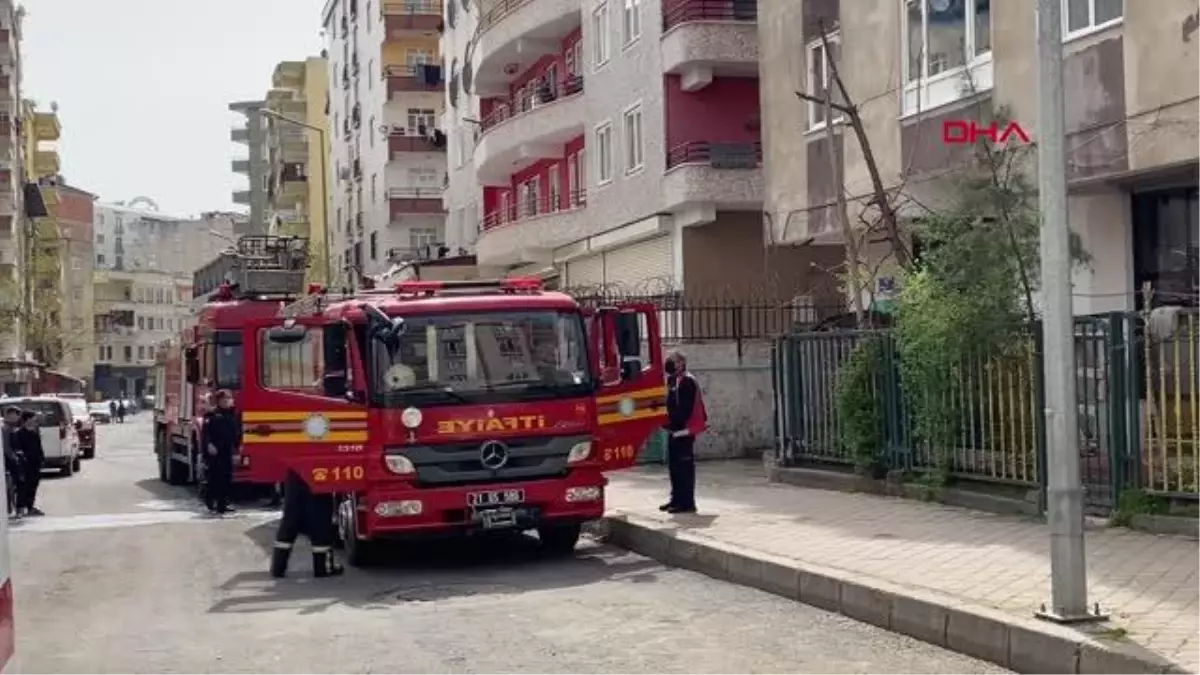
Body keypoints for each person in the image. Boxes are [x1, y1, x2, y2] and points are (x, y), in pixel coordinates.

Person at [270, 470, 344, 579]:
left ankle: (278, 568)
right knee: (320, 519)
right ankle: (322, 567)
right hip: (318, 468)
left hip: (295, 471)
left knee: (291, 520)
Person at [660, 351, 708, 515]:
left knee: (684, 468)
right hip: (674, 430)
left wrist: (675, 423)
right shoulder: (673, 380)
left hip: (685, 431)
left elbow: (685, 410)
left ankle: (687, 503)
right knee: (674, 468)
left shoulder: (688, 381)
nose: (669, 363)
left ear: (681, 363)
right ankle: (676, 499)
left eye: (672, 361)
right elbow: (670, 404)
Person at [201, 390, 240, 515]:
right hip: (215, 451)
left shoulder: (234, 414)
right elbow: (205, 433)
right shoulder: (211, 414)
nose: (227, 401)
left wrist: (238, 449)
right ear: (218, 401)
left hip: (228, 450)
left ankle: (222, 505)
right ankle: (210, 499)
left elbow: (237, 434)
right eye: (224, 399)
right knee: (214, 477)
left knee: (227, 478)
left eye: (228, 398)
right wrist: (209, 445)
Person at [15, 411, 44, 517]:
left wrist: (41, 459)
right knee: (23, 486)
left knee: (33, 486)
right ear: (27, 420)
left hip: (35, 464)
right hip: (24, 464)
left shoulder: (34, 433)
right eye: (34, 419)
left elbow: (39, 448)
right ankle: (20, 508)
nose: (35, 422)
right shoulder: (19, 433)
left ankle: (30, 507)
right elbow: (18, 449)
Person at [2, 407, 23, 518]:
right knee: (11, 485)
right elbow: (6, 447)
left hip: (12, 460)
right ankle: (11, 508)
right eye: (15, 415)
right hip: (8, 462)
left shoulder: (13, 428)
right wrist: (14, 457)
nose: (17, 417)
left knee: (14, 485)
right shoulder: (5, 428)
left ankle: (13, 508)